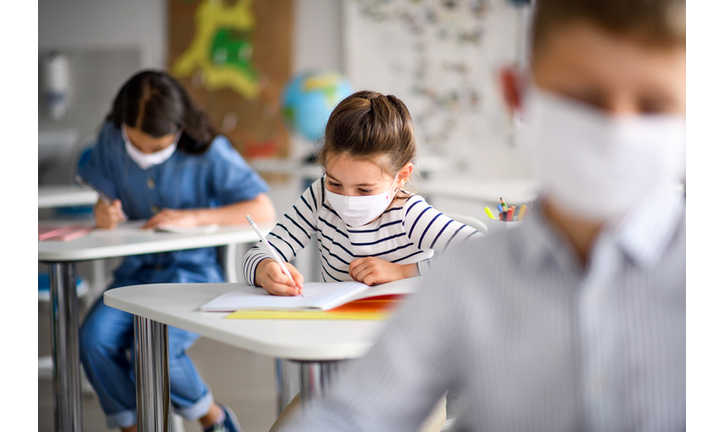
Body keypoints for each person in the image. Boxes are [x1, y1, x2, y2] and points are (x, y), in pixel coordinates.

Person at [276, 0, 686, 430]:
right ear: (517, 94)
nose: (616, 130)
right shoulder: (468, 278)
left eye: (655, 104)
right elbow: (355, 414)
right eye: (582, 98)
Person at [241, 90, 483, 431]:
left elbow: (481, 256)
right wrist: (266, 269)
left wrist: (405, 270)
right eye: (335, 182)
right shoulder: (318, 197)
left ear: (401, 176)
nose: (345, 198)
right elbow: (262, 250)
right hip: (340, 372)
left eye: (364, 190)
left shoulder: (408, 214)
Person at [78, 70, 275, 432]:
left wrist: (195, 217)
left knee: (154, 350)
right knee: (93, 340)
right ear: (122, 127)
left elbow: (263, 209)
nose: (145, 155)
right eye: (136, 145)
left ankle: (213, 419)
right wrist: (102, 212)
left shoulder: (209, 151)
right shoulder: (109, 138)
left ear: (179, 127)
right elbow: (103, 198)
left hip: (193, 274)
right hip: (135, 275)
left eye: (157, 147)